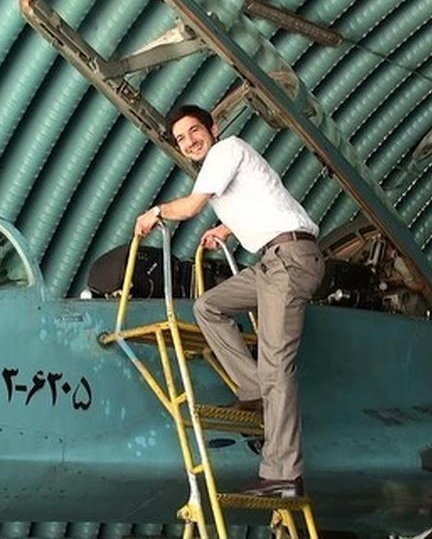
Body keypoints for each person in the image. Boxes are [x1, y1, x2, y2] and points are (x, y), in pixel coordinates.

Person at [134, 104, 324, 498]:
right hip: (272, 262)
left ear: (213, 127)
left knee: (277, 366)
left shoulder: (226, 149)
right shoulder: (223, 168)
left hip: (290, 260)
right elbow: (260, 201)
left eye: (194, 131)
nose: (189, 141)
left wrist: (155, 212)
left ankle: (284, 475)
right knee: (208, 307)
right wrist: (225, 229)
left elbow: (190, 207)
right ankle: (252, 388)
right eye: (181, 139)